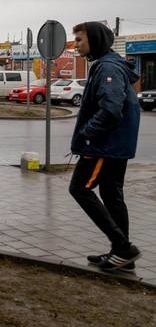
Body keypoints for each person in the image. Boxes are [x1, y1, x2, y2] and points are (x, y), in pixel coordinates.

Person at [69, 21, 141, 272]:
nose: (76, 44)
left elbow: (111, 109)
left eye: (79, 39)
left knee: (79, 188)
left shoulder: (107, 68)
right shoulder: (110, 64)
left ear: (95, 40)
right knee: (112, 195)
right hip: (114, 145)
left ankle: (123, 248)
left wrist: (88, 135)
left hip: (104, 146)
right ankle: (121, 255)